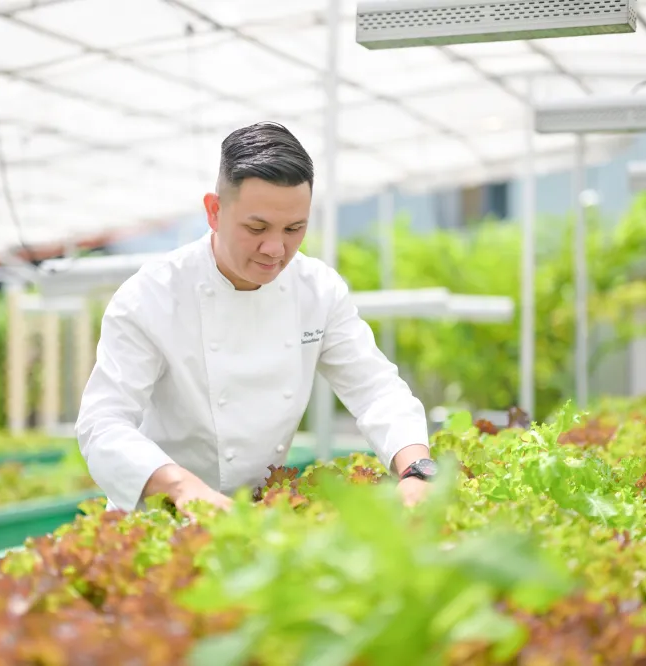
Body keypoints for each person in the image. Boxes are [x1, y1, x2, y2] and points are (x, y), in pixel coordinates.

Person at [75, 121, 437, 515]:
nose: (275, 249)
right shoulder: (151, 296)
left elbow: (375, 390)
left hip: (256, 516)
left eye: (294, 228)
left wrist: (417, 470)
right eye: (256, 227)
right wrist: (182, 487)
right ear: (214, 211)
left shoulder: (318, 290)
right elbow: (103, 423)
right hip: (158, 518)